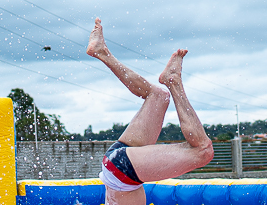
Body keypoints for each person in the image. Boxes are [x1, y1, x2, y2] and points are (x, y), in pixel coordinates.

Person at [87, 18, 214, 203]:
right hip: (119, 162)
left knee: (203, 151)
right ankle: (102, 52)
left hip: (122, 171)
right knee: (158, 96)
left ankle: (173, 81)